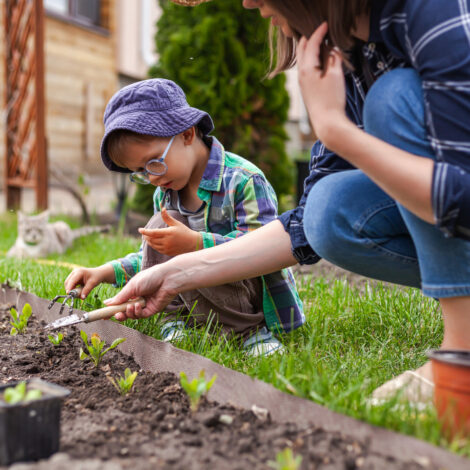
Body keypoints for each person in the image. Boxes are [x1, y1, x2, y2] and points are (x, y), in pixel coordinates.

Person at [105, 0, 470, 403]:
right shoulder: (349, 55)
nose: (247, 3)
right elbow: (304, 230)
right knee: (329, 211)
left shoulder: (432, 10)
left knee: (391, 99)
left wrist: (334, 128)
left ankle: (461, 356)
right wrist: (175, 274)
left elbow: (463, 191)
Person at [64, 78, 304, 357]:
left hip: (248, 299)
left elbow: (263, 249)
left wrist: (195, 244)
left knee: (203, 250)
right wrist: (103, 272)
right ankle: (176, 319)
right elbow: (153, 255)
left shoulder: (243, 180)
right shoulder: (166, 192)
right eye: (140, 171)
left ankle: (248, 332)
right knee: (157, 226)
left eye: (154, 162)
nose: (152, 178)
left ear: (187, 134)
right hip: (196, 298)